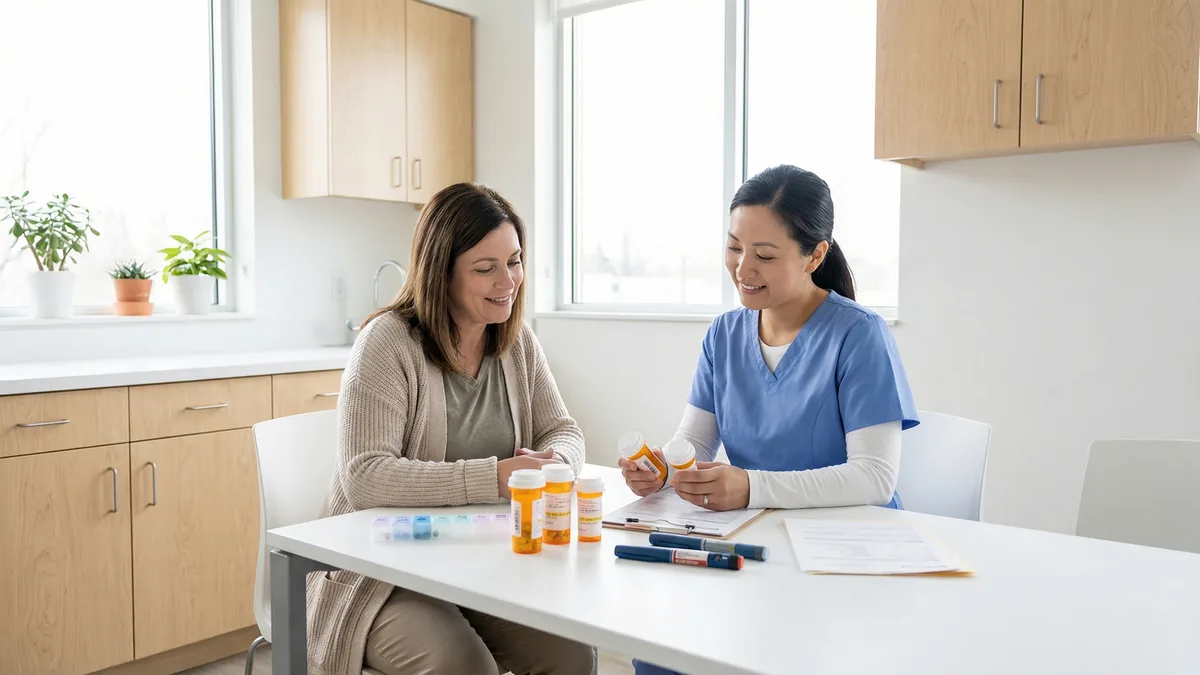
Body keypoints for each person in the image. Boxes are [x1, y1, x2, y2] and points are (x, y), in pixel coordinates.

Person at [621, 165, 919, 674]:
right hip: (757, 538)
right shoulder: (724, 335)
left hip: (847, 549)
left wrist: (750, 486)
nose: (742, 268)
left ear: (815, 255)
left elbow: (875, 477)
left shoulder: (859, 335)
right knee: (659, 653)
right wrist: (662, 470)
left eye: (764, 255)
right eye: (734, 247)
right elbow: (695, 441)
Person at [307, 183, 595, 675]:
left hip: (477, 564)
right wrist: (494, 477)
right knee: (463, 665)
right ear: (441, 273)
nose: (508, 281)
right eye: (485, 268)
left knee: (571, 654)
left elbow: (563, 430)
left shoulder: (516, 342)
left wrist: (556, 465)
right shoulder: (387, 344)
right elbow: (364, 477)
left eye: (514, 261)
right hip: (381, 574)